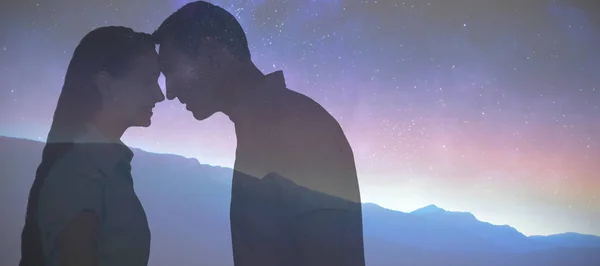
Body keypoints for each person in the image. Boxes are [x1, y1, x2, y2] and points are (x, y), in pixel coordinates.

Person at [153, 1, 365, 265]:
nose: (170, 92)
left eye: (171, 71)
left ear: (211, 54)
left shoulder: (299, 128)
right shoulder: (268, 125)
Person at [19, 26, 164, 266]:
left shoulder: (98, 166)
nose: (160, 95)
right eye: (148, 81)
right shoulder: (80, 174)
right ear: (106, 84)